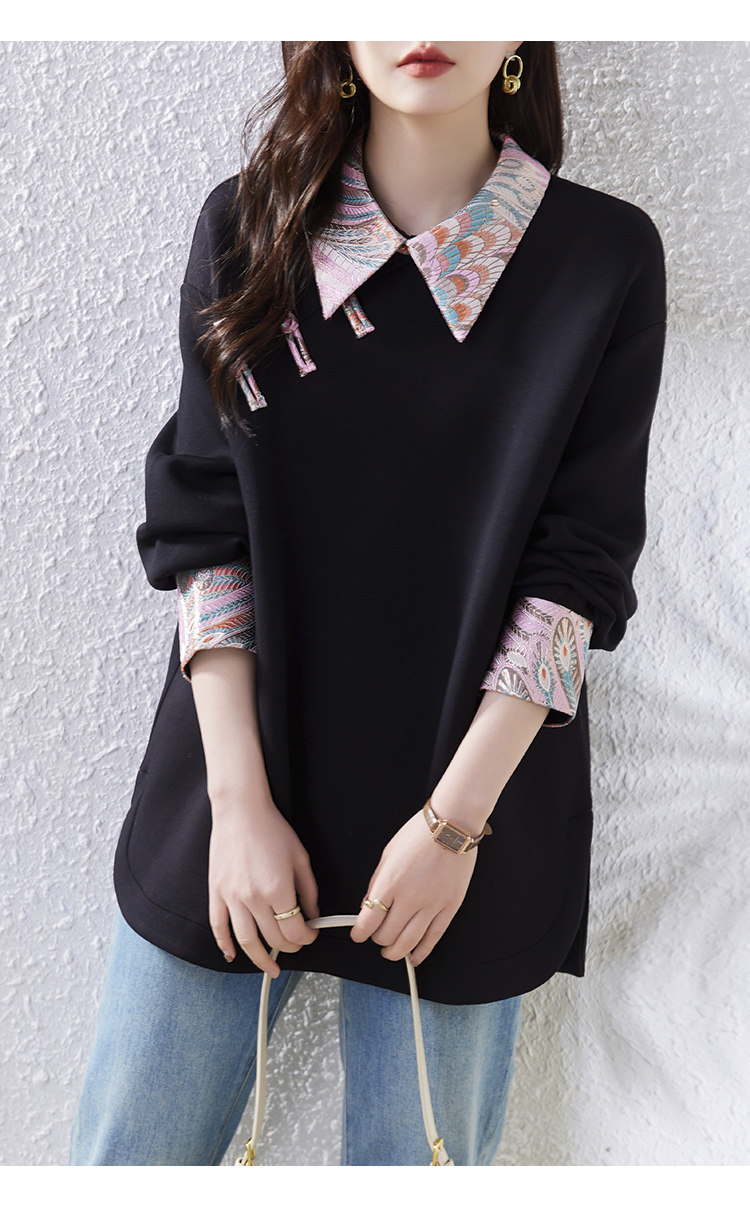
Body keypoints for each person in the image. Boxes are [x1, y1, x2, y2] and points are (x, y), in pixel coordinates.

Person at [69, 40, 666, 1167]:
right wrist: (239, 802)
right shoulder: (248, 226)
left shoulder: (603, 256)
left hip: (471, 818)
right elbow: (205, 535)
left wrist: (452, 827)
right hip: (234, 796)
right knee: (125, 1163)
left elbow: (576, 574)